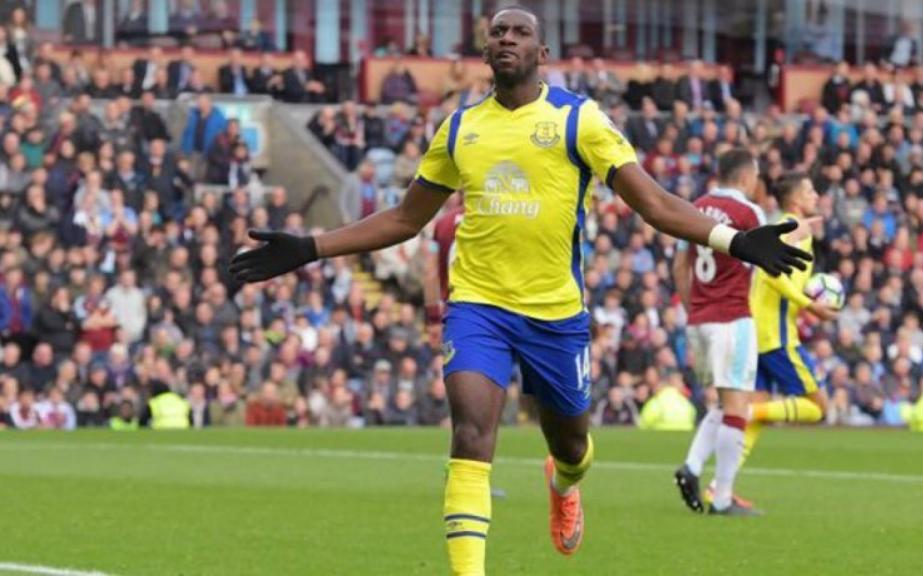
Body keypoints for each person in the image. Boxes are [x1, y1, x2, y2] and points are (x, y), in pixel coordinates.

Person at [229, 7, 808, 573]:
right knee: (471, 432)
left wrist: (735, 241)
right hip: (478, 307)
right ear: (487, 51)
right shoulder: (461, 128)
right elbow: (406, 219)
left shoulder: (580, 121)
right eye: (498, 31)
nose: (506, 38)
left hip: (555, 315)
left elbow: (653, 204)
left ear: (542, 54)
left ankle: (564, 484)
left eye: (520, 32)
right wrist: (308, 247)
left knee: (572, 446)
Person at [673, 150, 777, 517]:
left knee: (720, 403)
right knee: (737, 407)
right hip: (732, 318)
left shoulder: (694, 206)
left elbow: (679, 263)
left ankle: (691, 467)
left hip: (700, 320)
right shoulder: (749, 213)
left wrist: (693, 309)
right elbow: (767, 266)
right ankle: (723, 498)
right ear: (747, 177)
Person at [741, 174, 839, 498]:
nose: (816, 194)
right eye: (811, 189)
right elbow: (772, 275)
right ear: (796, 199)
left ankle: (719, 488)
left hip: (758, 331)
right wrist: (809, 304)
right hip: (776, 335)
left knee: (761, 415)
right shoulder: (794, 227)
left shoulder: (781, 225)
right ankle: (748, 412)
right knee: (818, 407)